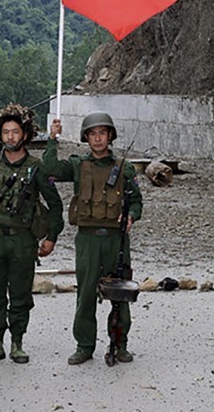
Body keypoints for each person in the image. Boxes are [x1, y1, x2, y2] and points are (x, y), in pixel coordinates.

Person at [42, 111, 143, 365]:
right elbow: (49, 168)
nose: (98, 139)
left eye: (102, 133)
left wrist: (131, 215)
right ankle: (84, 345)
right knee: (86, 294)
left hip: (115, 240)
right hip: (87, 239)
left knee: (120, 293)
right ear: (86, 138)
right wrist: (52, 138)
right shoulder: (78, 165)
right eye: (92, 134)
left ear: (110, 136)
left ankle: (120, 344)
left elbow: (137, 201)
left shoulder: (125, 168)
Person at [0, 103, 64, 365]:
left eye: (15, 132)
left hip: (22, 240)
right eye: (5, 132)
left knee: (21, 292)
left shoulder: (37, 167)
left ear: (24, 134)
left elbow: (55, 205)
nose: (10, 137)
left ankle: (18, 342)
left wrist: (51, 237)